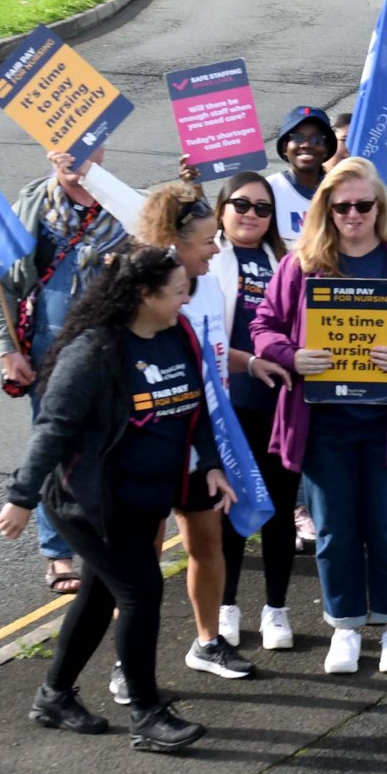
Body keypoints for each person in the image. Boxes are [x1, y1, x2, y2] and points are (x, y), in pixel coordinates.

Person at [0, 246, 225, 753]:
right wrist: (21, 498)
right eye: (177, 291)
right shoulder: (95, 351)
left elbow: (194, 407)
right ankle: (146, 715)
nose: (186, 299)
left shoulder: (176, 336)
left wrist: (211, 463)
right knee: (140, 593)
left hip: (145, 498)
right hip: (93, 504)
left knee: (100, 595)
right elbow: (52, 428)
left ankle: (54, 696)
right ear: (144, 295)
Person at [250, 158, 387, 677]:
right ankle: (345, 625)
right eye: (342, 207)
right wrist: (292, 356)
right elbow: (264, 326)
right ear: (327, 209)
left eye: (363, 204)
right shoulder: (302, 264)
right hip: (324, 426)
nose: (353, 214)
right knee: (334, 531)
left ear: (380, 207)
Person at [122, 178, 254, 684]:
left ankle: (208, 642)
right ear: (173, 243)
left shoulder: (212, 285)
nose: (216, 249)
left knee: (207, 543)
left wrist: (252, 363)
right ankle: (128, 662)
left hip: (204, 441)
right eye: (206, 241)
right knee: (141, 562)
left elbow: (213, 359)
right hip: (153, 444)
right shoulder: (139, 295)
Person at [0, 150, 131, 595]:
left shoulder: (125, 204)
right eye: (63, 142)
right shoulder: (30, 207)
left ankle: (106, 549)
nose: (74, 153)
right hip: (49, 349)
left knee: (113, 445)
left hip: (112, 348)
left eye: (86, 143)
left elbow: (172, 248)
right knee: (53, 444)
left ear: (102, 149)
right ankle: (58, 552)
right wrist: (7, 350)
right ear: (49, 150)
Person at [206, 172, 304, 652]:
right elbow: (199, 338)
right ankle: (226, 606)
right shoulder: (205, 260)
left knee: (280, 511)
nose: (251, 215)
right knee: (228, 510)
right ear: (222, 208)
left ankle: (276, 609)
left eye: (262, 208)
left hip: (279, 405)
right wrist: (248, 362)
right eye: (241, 205)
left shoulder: (288, 261)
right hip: (229, 407)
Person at [270, 107, 337, 245]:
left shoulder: (339, 191)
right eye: (297, 138)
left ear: (327, 148)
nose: (306, 145)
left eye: (317, 139)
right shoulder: (269, 189)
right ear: (285, 147)